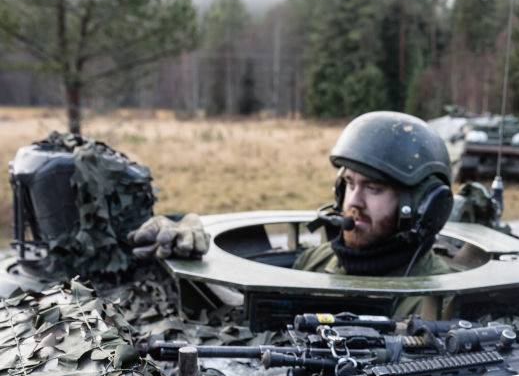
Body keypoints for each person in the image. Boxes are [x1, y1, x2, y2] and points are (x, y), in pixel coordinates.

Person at [130, 111, 455, 318]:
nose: (353, 202)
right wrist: (186, 252)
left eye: (374, 188)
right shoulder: (314, 262)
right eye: (349, 184)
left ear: (423, 207)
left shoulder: (437, 300)